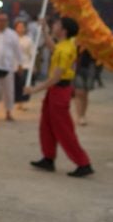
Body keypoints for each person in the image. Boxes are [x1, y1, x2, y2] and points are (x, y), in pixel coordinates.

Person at [28, 17, 94, 177]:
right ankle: (48, 158)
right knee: (47, 124)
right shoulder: (66, 45)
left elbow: (55, 78)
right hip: (56, 91)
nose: (54, 26)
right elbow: (53, 48)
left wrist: (34, 89)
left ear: (63, 30)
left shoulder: (66, 50)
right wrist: (44, 30)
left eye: (56, 24)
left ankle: (83, 162)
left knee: (63, 129)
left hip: (59, 90)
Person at [13, 20, 33, 108]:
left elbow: (32, 53)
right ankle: (15, 101)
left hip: (25, 64)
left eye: (22, 27)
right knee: (15, 84)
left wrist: (33, 65)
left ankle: (22, 102)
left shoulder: (28, 40)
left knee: (23, 83)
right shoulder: (12, 38)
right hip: (13, 65)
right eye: (19, 27)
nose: (20, 29)